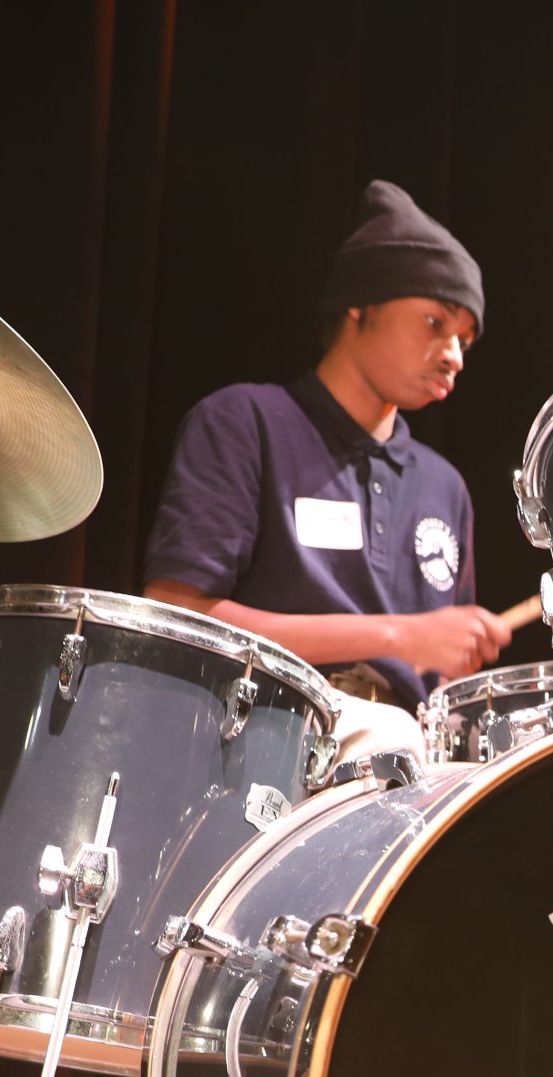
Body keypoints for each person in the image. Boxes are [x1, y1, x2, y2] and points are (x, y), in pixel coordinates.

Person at [142, 180, 510, 747]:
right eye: (436, 323)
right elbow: (175, 614)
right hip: (258, 727)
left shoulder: (446, 487)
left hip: (407, 757)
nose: (454, 356)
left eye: (465, 339)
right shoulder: (245, 421)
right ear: (359, 304)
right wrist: (399, 636)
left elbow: (440, 686)